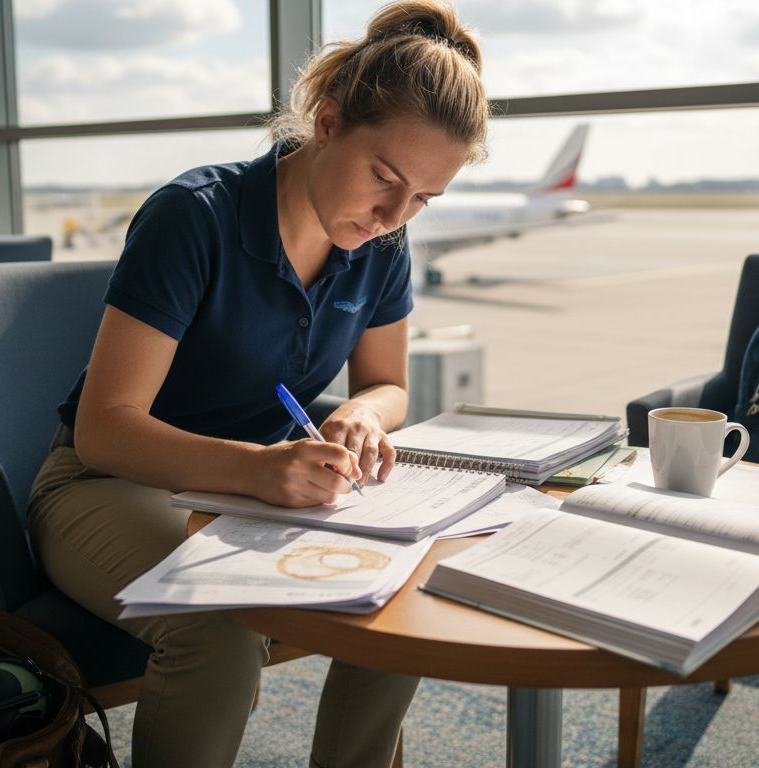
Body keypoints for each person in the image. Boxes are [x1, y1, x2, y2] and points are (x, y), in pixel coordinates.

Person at [26, 1, 489, 765]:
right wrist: (257, 469)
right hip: (103, 482)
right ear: (330, 122)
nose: (393, 215)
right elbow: (105, 427)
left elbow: (388, 386)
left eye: (423, 200)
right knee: (215, 627)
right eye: (384, 178)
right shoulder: (194, 217)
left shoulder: (384, 244)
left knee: (403, 588)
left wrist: (366, 417)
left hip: (255, 491)